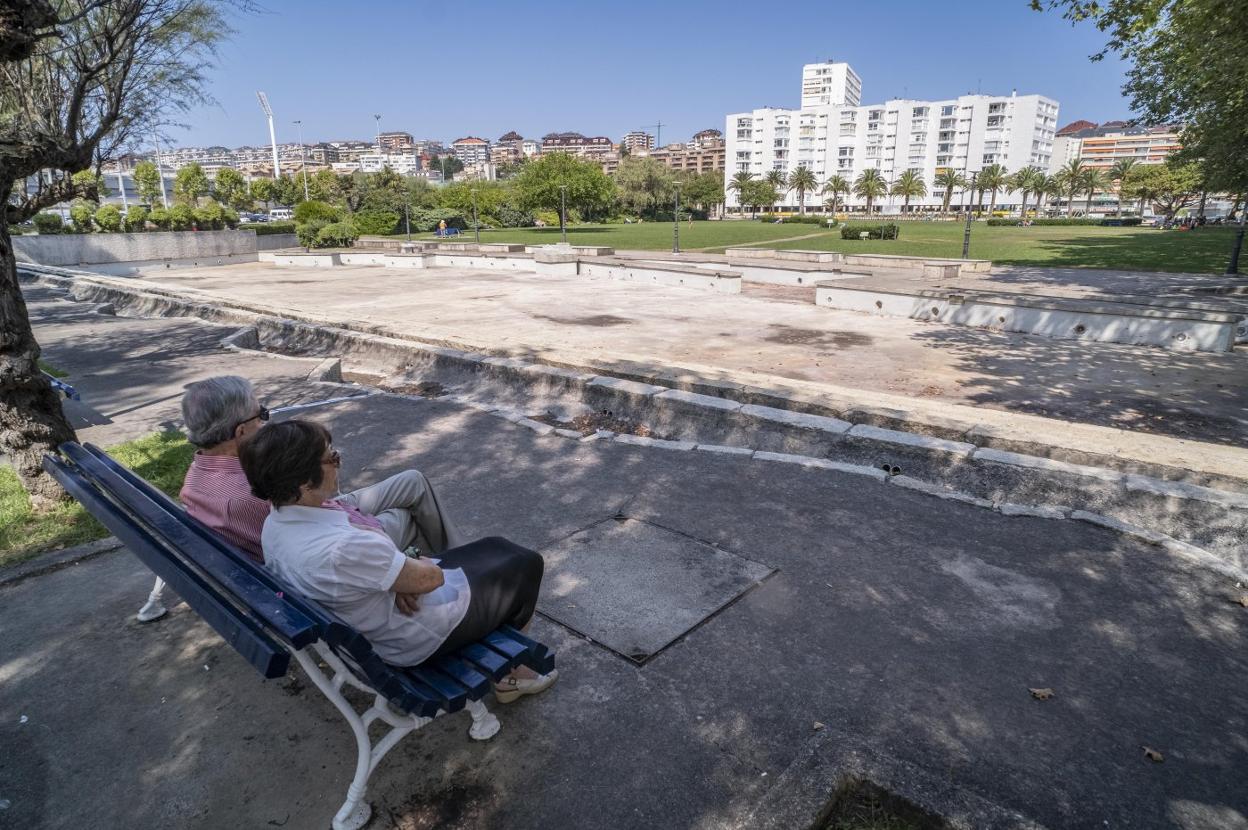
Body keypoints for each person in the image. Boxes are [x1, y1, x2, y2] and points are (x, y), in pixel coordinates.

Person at [240, 420, 557, 700]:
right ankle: (514, 675)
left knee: (493, 547)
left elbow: (386, 571)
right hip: (410, 639)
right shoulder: (343, 548)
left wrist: (398, 575)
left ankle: (509, 663)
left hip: (365, 627)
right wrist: (405, 572)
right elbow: (431, 579)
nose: (339, 460)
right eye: (332, 457)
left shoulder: (276, 523)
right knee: (525, 562)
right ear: (303, 483)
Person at [179, 376, 462, 563]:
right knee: (406, 516)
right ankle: (451, 568)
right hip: (331, 538)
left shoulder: (200, 473)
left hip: (320, 512)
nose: (267, 421)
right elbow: (315, 532)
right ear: (240, 431)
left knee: (412, 481)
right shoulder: (245, 495)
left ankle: (453, 558)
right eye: (261, 414)